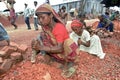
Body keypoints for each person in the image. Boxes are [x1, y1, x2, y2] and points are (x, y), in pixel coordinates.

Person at [31, 3, 79, 77]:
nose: (40, 20)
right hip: (55, 51)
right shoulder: (46, 27)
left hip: (64, 52)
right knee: (39, 36)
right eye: (39, 18)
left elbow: (60, 48)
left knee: (68, 42)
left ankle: (69, 63)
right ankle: (50, 57)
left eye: (42, 17)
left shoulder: (59, 28)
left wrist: (40, 47)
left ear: (51, 15)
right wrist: (36, 45)